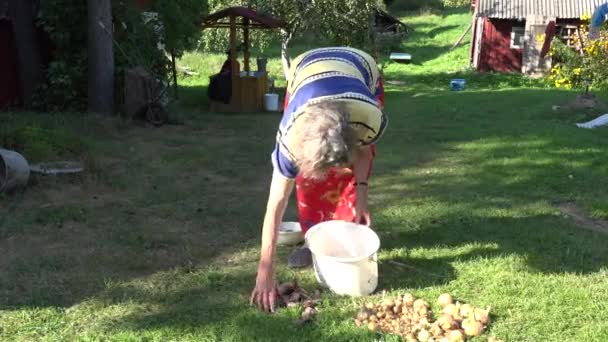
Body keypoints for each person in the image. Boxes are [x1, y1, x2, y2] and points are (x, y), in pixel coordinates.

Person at [250, 47, 387, 312]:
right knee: (308, 183)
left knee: (347, 177)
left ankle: (345, 239)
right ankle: (315, 244)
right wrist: (265, 268)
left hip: (361, 73)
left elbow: (365, 151)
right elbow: (276, 203)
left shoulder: (369, 117)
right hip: (305, 74)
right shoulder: (290, 140)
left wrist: (361, 196)